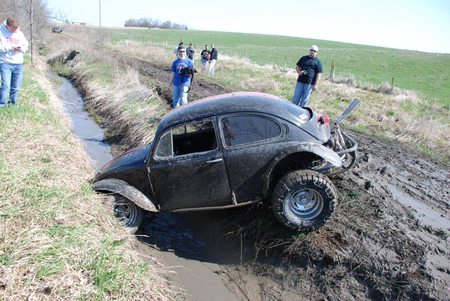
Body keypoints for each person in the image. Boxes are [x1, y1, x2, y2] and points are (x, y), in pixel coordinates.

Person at [0, 17, 28, 107]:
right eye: (13, 28)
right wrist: (10, 48)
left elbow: (25, 45)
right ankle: (2, 104)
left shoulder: (20, 33)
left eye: (16, 28)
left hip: (18, 63)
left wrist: (21, 48)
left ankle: (12, 104)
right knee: (6, 86)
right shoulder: (1, 32)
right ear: (7, 26)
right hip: (5, 62)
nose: (15, 30)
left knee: (16, 87)